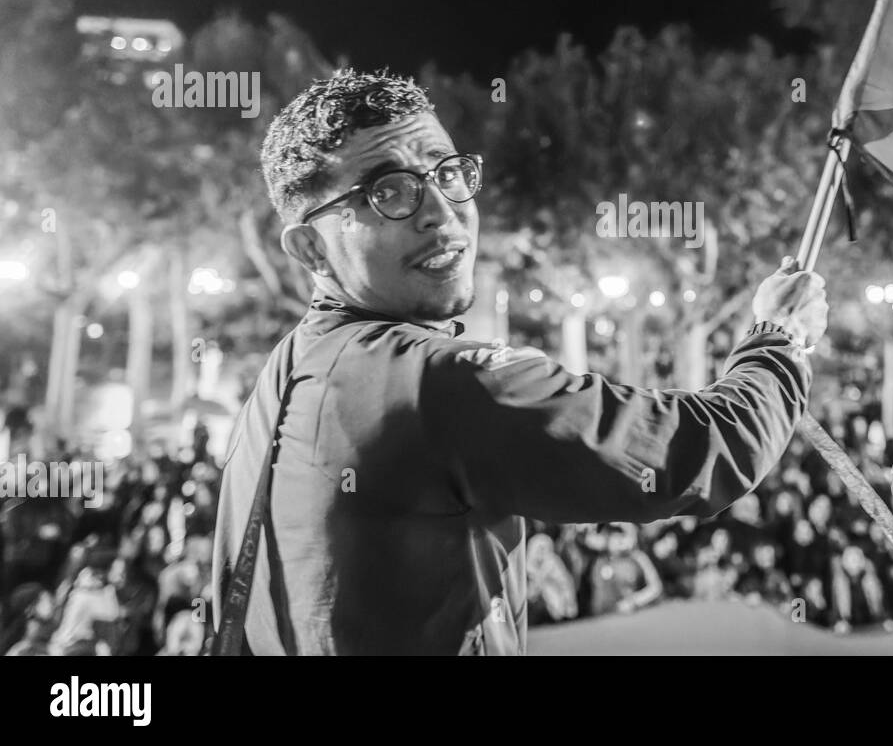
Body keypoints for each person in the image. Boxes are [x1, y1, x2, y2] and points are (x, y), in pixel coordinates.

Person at [213, 70, 828, 655]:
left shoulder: (282, 374)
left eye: (447, 174)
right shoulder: (438, 382)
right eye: (389, 191)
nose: (441, 210)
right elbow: (700, 449)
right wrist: (779, 337)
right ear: (310, 248)